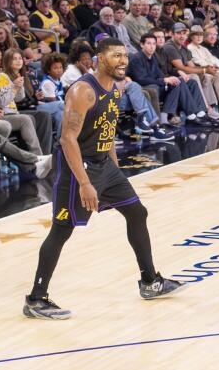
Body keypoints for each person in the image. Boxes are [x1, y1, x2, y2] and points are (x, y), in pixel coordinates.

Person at [22, 44, 183, 319]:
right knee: (62, 229)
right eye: (115, 56)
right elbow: (67, 138)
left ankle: (150, 282)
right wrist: (85, 183)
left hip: (104, 165)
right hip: (77, 168)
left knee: (137, 212)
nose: (122, 61)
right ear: (99, 59)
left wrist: (114, 170)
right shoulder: (83, 90)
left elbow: (106, 130)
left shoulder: (117, 88)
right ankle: (36, 299)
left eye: (124, 56)